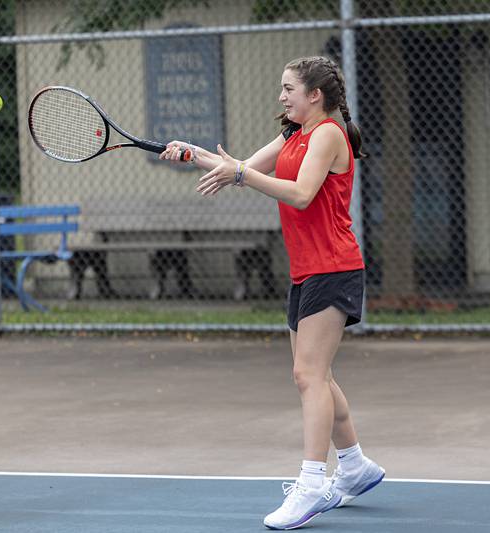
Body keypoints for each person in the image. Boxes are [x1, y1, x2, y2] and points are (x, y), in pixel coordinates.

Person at [159, 55, 385, 530]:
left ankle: (312, 484)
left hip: (334, 267)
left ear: (314, 95)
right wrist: (193, 153)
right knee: (314, 375)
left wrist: (240, 175)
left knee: (309, 375)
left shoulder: (326, 134)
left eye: (288, 89)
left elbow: (301, 193)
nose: (282, 96)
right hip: (306, 270)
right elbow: (240, 166)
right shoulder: (293, 133)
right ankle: (356, 465)